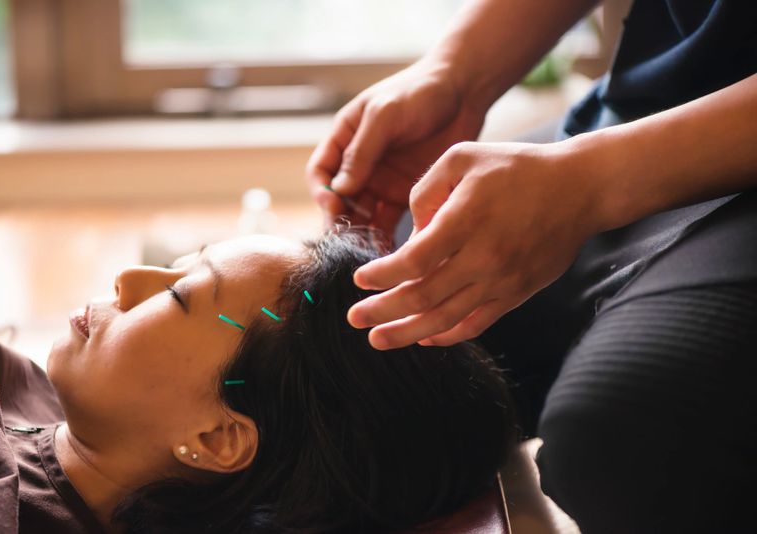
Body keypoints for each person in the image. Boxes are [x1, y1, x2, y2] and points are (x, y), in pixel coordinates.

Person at [306, 0, 757, 531]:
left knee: (625, 445)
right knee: (398, 286)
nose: (180, 270)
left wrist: (593, 180)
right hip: (655, 103)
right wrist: (458, 74)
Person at [0, 229, 515, 534]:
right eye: (177, 265)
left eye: (178, 296)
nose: (128, 278)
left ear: (216, 438)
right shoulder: (11, 381)